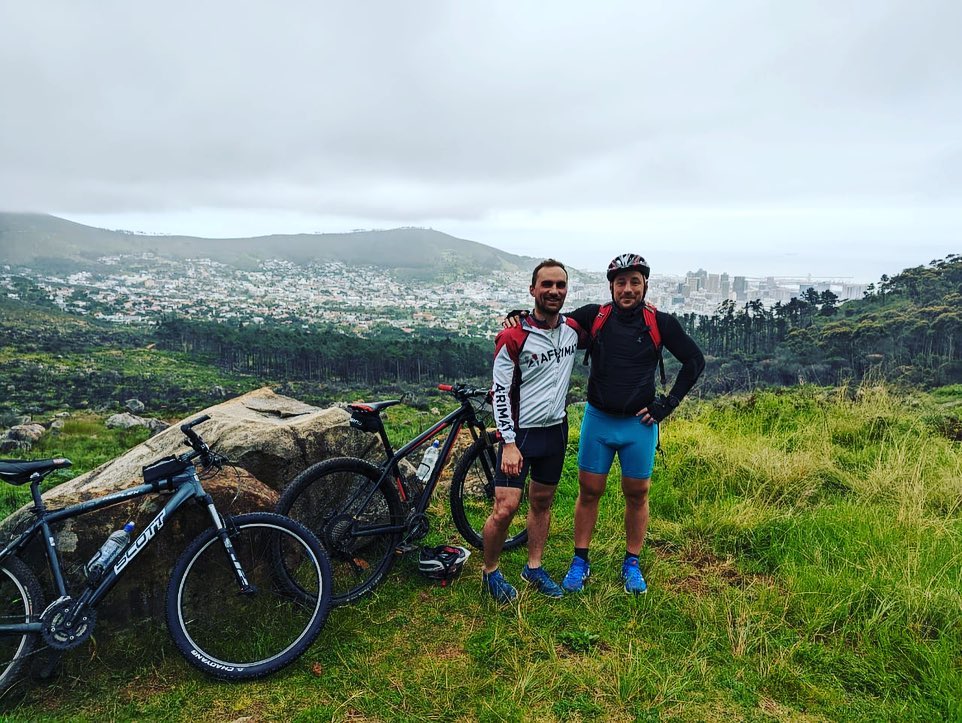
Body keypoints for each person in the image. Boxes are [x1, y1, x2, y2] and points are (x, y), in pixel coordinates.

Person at [506, 253, 704, 594]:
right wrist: (520, 318)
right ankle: (580, 561)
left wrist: (666, 405)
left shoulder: (661, 322)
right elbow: (550, 323)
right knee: (589, 492)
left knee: (637, 494)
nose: (627, 289)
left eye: (634, 282)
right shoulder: (595, 317)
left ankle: (632, 564)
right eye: (621, 283)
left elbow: (694, 361)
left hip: (638, 425)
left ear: (645, 285)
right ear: (611, 286)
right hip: (598, 420)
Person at [481, 259, 585, 603]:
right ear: (533, 290)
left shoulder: (573, 329)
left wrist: (648, 307)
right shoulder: (513, 337)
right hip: (521, 435)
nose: (554, 291)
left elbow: (613, 319)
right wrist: (508, 442)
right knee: (505, 507)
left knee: (542, 503)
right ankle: (491, 571)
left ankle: (534, 567)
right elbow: (499, 393)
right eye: (546, 285)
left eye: (560, 285)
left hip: (555, 432)